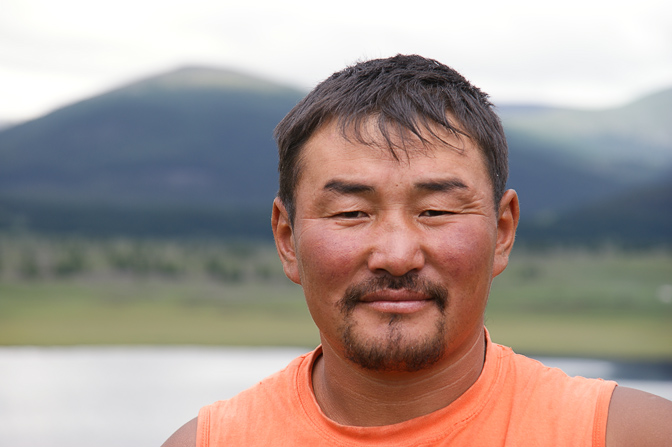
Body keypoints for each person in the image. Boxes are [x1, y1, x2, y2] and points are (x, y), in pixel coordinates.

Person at [162, 54, 672, 446]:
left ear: (502, 231)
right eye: (351, 214)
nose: (397, 254)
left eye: (436, 211)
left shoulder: (626, 435)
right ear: (287, 238)